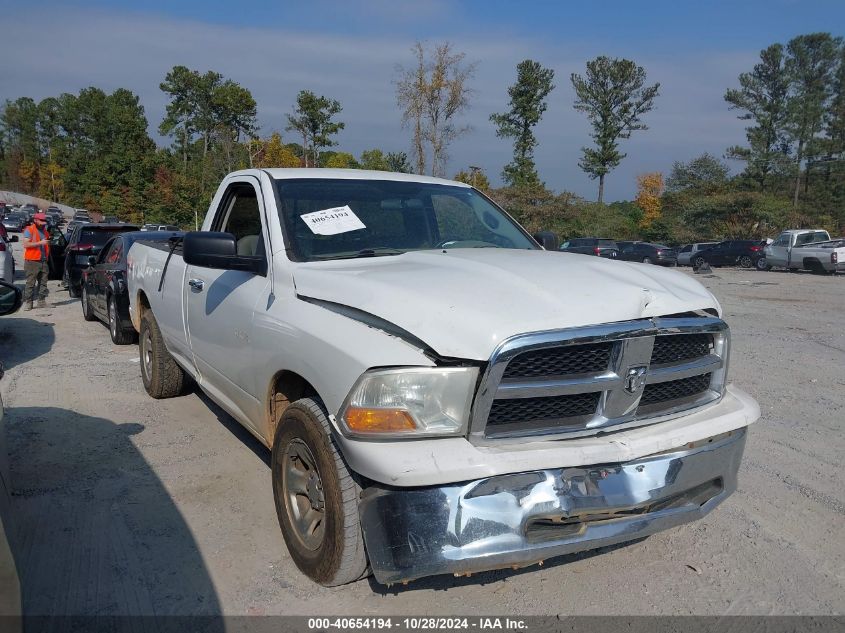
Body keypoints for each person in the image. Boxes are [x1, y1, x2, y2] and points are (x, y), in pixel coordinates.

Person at [22, 212, 51, 310]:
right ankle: (28, 303)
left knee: (43, 282)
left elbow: (47, 245)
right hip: (32, 261)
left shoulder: (45, 231)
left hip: (43, 261)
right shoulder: (29, 230)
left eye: (44, 221)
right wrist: (40, 243)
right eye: (41, 221)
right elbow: (26, 245)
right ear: (35, 220)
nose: (43, 222)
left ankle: (41, 302)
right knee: (30, 283)